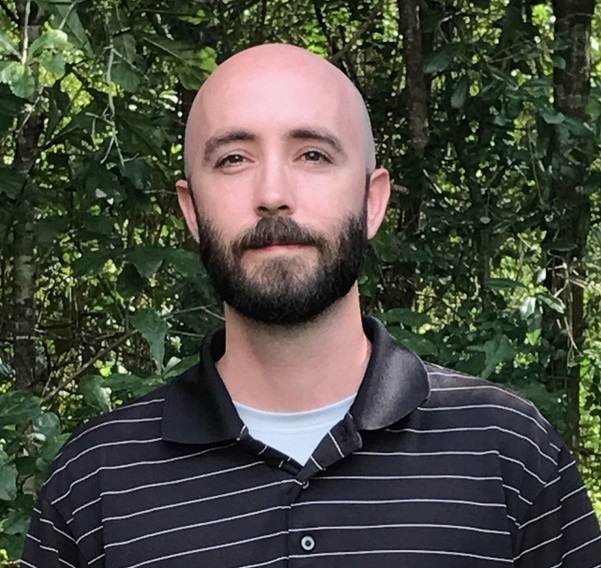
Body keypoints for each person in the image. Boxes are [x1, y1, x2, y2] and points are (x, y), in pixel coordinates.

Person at [21, 44, 600, 568]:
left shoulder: (507, 452)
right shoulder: (95, 483)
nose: (273, 194)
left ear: (372, 203)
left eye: (314, 155)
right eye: (234, 159)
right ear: (192, 211)